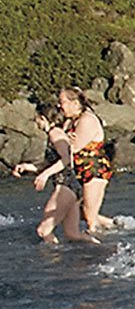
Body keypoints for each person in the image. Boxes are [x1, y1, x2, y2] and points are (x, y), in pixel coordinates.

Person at [17, 103, 96, 244]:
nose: (36, 123)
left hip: (66, 185)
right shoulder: (56, 133)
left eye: (36, 119)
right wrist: (28, 167)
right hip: (73, 186)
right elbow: (52, 163)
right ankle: (101, 248)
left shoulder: (55, 134)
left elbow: (66, 160)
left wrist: (45, 175)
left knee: (43, 231)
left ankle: (53, 256)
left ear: (43, 118)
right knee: (73, 234)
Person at [40, 87, 114, 234]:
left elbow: (74, 149)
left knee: (89, 216)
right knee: (82, 213)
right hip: (78, 172)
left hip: (94, 170)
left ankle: (98, 244)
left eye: (62, 102)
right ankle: (116, 226)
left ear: (75, 103)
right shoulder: (70, 121)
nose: (59, 106)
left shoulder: (87, 120)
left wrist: (66, 140)